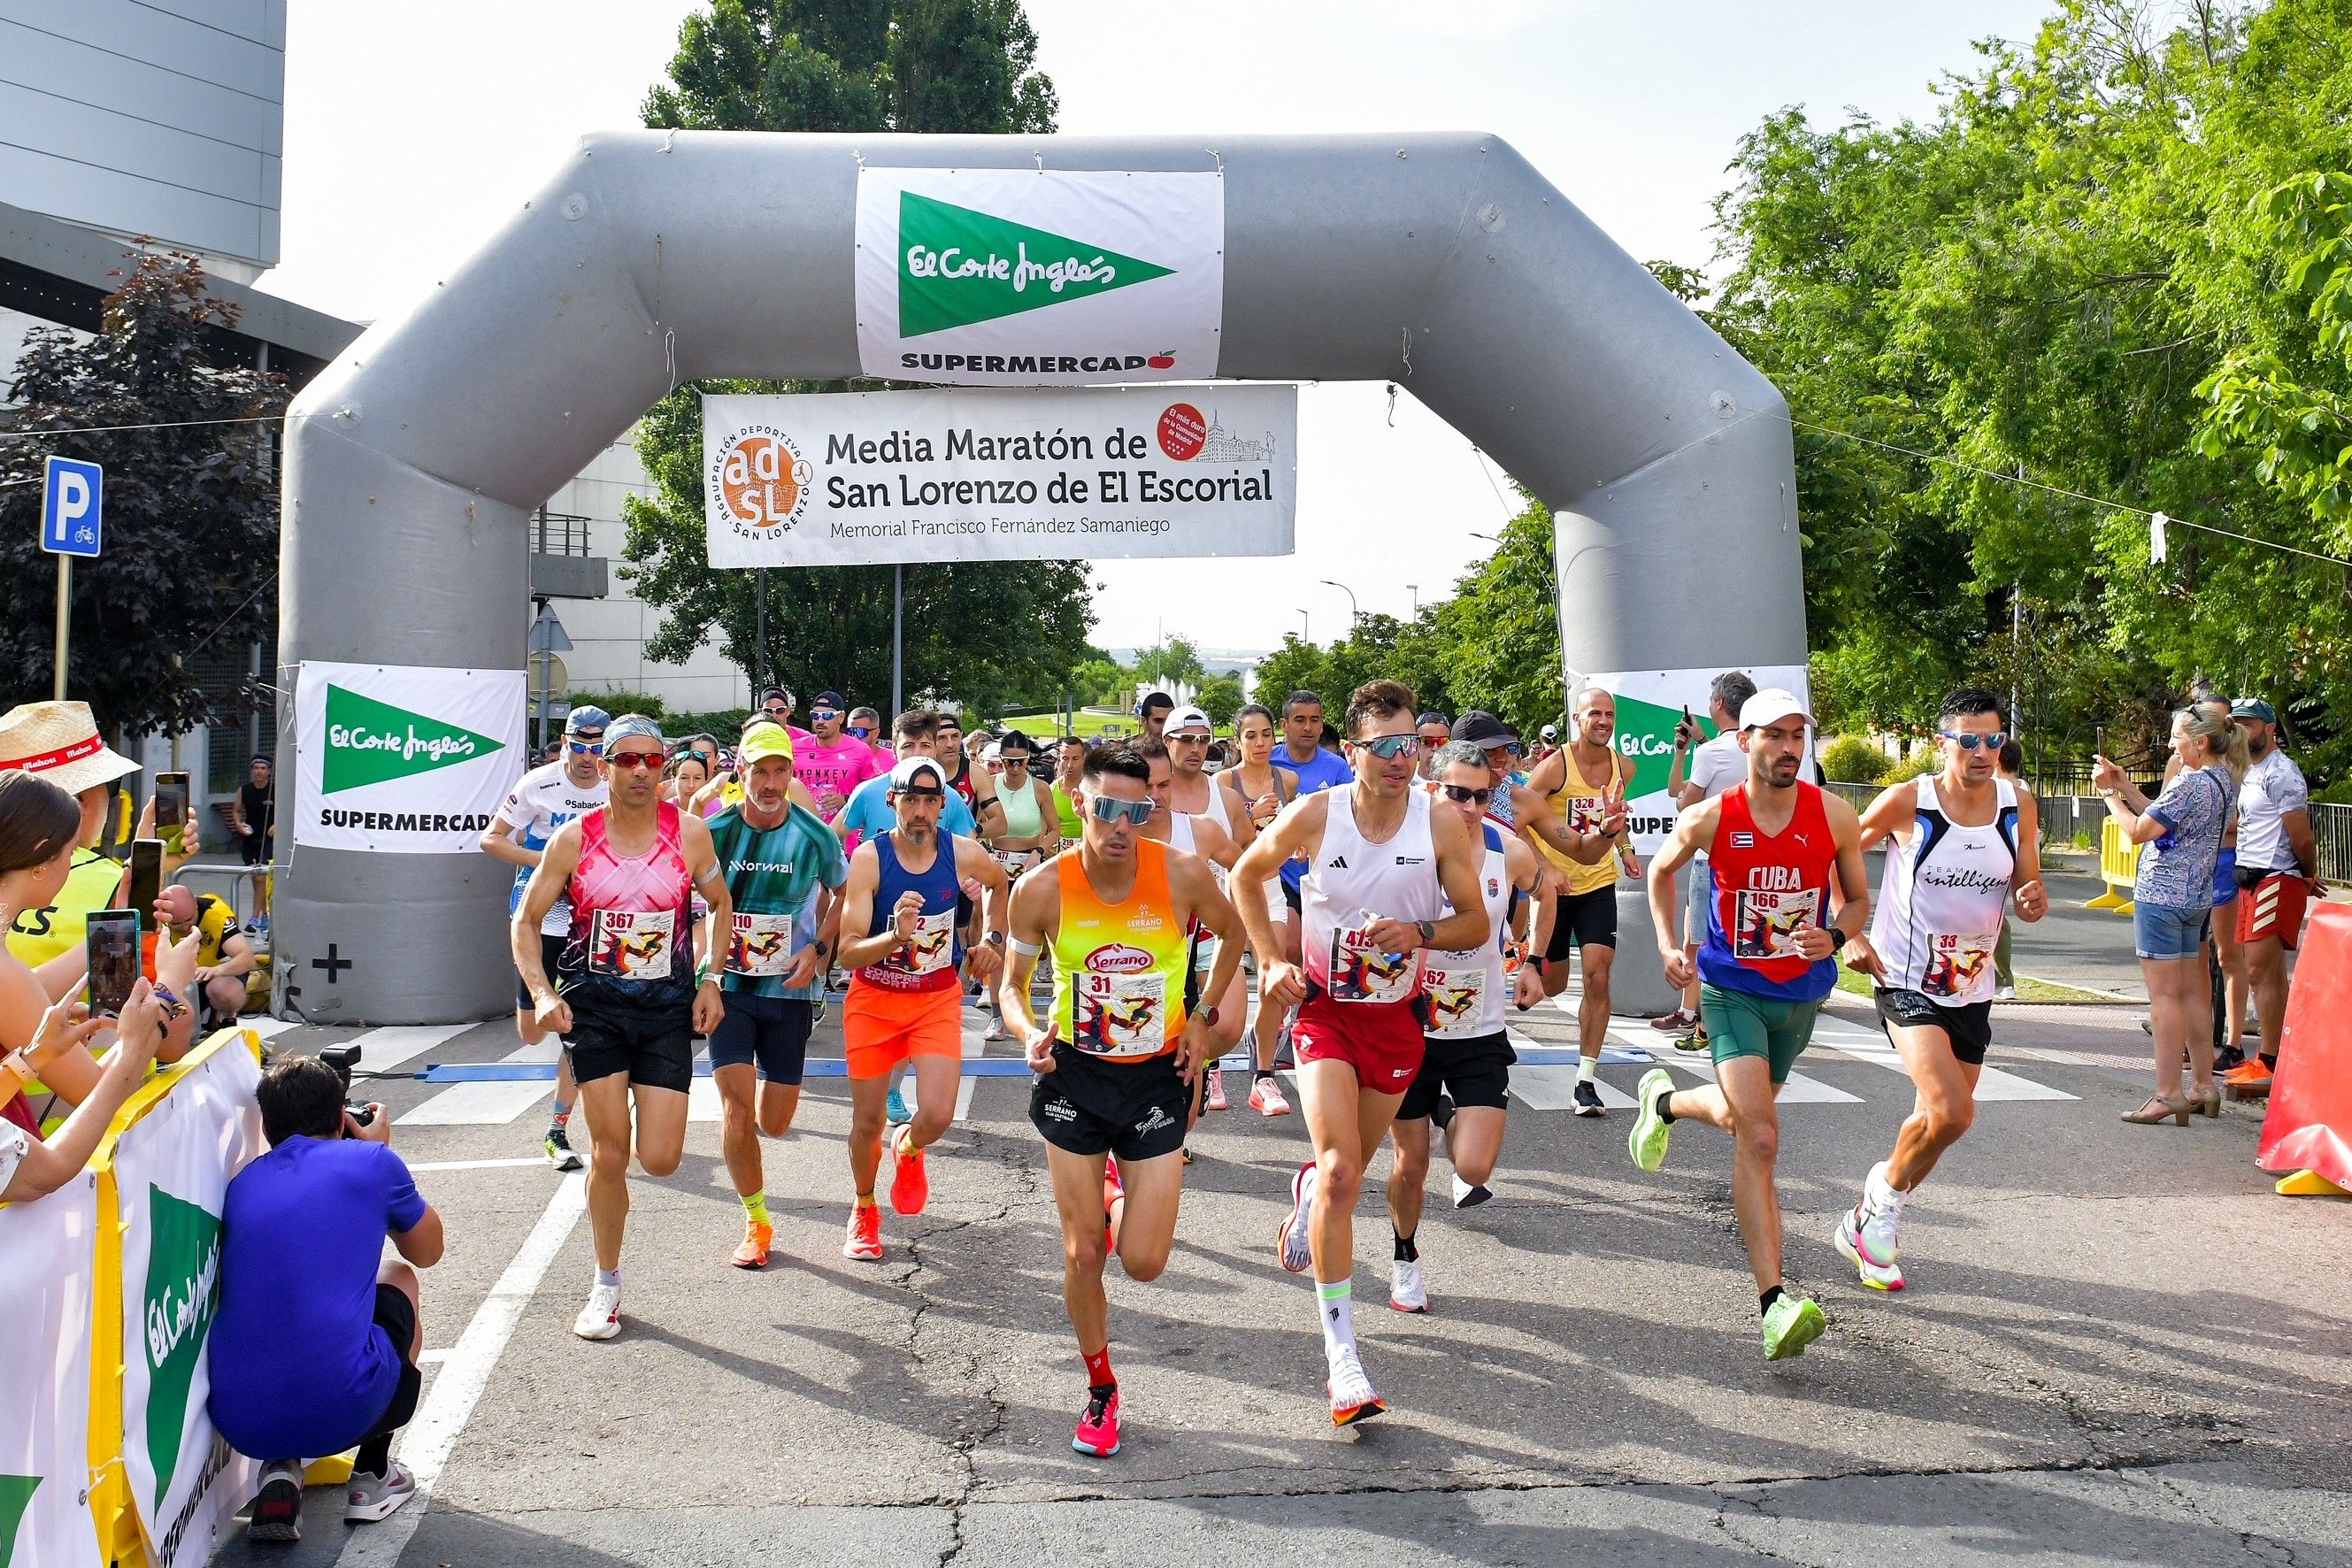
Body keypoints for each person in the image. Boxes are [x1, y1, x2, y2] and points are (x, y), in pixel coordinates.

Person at [1232, 680, 1491, 1425]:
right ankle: (1343, 1361)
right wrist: (1270, 962)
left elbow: (1474, 921)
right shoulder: (1317, 813)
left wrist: (1421, 935)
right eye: (1384, 747)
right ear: (1354, 752)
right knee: (1347, 1172)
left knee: (1345, 1171)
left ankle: (1309, 1193)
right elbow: (1248, 875)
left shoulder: (1439, 821)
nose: (1400, 759)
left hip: (1398, 1022)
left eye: (1410, 744)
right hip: (1324, 1015)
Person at [999, 742, 1241, 1457]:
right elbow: (1011, 986)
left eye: (1136, 811)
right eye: (1107, 807)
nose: (1120, 825)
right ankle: (1101, 1389)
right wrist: (1024, 1032)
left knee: (1142, 1262)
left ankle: (1116, 1198)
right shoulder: (1040, 888)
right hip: (1074, 1074)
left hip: (1156, 1076)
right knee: (1083, 1255)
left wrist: (1201, 1018)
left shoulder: (1184, 874)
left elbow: (1234, 937)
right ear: (1080, 800)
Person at [1627, 688, 1870, 1361]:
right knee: (1761, 1137)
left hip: (1801, 997)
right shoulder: (1711, 817)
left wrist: (1835, 932)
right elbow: (1661, 872)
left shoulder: (1834, 816)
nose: (1790, 748)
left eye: (1800, 736)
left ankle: (1666, 1102)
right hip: (1731, 990)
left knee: (1745, 1123)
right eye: (1776, 735)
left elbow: (1857, 901)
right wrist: (1669, 947)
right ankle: (1773, 1304)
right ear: (1746, 742)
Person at [514, 715, 733, 1340]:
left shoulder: (689, 836)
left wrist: (712, 978)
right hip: (597, 1008)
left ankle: (632, 1151)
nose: (641, 771)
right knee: (612, 1153)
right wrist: (541, 991)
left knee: (660, 1159)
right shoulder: (573, 840)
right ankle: (605, 1284)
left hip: (667, 1007)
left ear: (663, 768)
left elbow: (720, 906)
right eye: (627, 759)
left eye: (653, 761)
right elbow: (525, 922)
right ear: (605, 767)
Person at [1836, 689, 2048, 1291]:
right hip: (1905, 981)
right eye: (1969, 740)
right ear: (1943, 743)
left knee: (1938, 1119)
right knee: (1955, 1110)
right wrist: (1845, 926)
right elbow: (1838, 849)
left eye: (1993, 740)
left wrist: (2032, 901)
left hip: (1972, 986)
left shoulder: (2019, 805)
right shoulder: (1911, 802)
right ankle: (1880, 1209)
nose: (1983, 752)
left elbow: (2028, 892)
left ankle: (1873, 1211)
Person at [212, 1055, 445, 1540]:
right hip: (344, 1408)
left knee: (285, 1301)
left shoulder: (242, 1184)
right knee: (399, 1276)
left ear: (268, 1124)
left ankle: (280, 1469)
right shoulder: (372, 1161)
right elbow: (428, 1251)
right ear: (342, 1115)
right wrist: (380, 1150)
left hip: (242, 1422)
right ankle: (373, 1476)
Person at [1386, 741, 1549, 1311]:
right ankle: (1405, 1255)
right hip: (1409, 1029)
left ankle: (1450, 1113)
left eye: (1481, 796)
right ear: (1432, 789)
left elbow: (1548, 888)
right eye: (1457, 793)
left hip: (1479, 1029)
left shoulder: (1508, 849)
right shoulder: (1405, 850)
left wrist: (1532, 959)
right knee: (1411, 1166)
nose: (1470, 806)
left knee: (1474, 1167)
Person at [832, 757, 1011, 1260]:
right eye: (909, 800)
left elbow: (1002, 883)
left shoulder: (960, 852)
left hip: (934, 999)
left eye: (930, 801)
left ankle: (909, 1147)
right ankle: (864, 1207)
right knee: (867, 1123)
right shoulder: (869, 859)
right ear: (892, 802)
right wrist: (895, 936)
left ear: (943, 806)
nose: (919, 812)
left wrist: (992, 938)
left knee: (938, 1114)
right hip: (874, 1000)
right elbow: (846, 950)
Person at [703, 720, 847, 1268]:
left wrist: (819, 951)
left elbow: (843, 893)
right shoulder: (714, 831)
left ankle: (758, 1176)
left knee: (775, 1121)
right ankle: (757, 1220)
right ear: (740, 772)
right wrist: (703, 968)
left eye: (779, 770)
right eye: (759, 771)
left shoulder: (815, 835)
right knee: (737, 1112)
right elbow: (690, 900)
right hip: (730, 989)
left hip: (790, 990)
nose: (769, 782)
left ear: (791, 772)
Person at [0, 771, 172, 1200]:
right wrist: (167, 990)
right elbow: (96, 1091)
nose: (72, 866)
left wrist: (118, 916)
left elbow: (30, 988)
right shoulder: (6, 977)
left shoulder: (10, 975)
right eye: (70, 853)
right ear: (41, 857)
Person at [2094, 706, 2246, 1123]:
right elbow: (2163, 816)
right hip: (2196, 898)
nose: (2169, 744)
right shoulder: (2223, 779)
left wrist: (2108, 795)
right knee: (2195, 994)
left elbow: (2139, 831)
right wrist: (2124, 784)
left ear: (2200, 741)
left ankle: (2168, 1093)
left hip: (2161, 897)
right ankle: (2203, 1085)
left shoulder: (2190, 782)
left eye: (2176, 737)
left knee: (2164, 998)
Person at [481, 705, 610, 1172]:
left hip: (590, 918)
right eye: (580, 746)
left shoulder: (614, 782)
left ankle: (559, 1128)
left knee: (578, 1029)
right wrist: (546, 865)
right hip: (539, 914)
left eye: (598, 748)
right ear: (566, 741)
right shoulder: (538, 783)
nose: (588, 757)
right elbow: (490, 839)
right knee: (533, 1032)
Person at [1523, 686, 1641, 1114]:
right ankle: (1525, 962)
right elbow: (1514, 818)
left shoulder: (1622, 767)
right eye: (1595, 714)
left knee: (1597, 975)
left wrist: (1626, 851)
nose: (1603, 722)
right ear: (1577, 718)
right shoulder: (1555, 767)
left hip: (1597, 884)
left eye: (1609, 714)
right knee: (1552, 985)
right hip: (1554, 890)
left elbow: (1617, 819)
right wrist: (1542, 869)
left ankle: (1585, 1079)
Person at [2223, 698, 2317, 1095]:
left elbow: (2301, 834)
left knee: (2261, 970)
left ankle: (2272, 1060)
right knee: (2266, 972)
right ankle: (2277, 1056)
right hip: (2249, 876)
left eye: (2249, 724)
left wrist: (2308, 874)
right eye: (2237, 725)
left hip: (2276, 876)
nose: (2241, 731)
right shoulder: (2250, 771)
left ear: (2269, 728)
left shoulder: (2282, 774)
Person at [1656, 673, 1757, 1041]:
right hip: (1753, 857)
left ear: (1717, 704)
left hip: (1711, 857)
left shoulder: (1712, 751)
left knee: (1700, 940)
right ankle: (1694, 1014)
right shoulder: (1754, 746)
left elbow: (1682, 801)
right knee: (1731, 938)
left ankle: (1701, 1020)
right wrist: (1690, 746)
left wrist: (1694, 749)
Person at [1162, 707, 1250, 1111]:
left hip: (1214, 924)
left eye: (1203, 740)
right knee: (1170, 1029)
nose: (1196, 748)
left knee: (1227, 1025)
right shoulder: (1152, 792)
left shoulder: (1224, 797)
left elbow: (1250, 860)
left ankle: (1200, 1071)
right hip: (1163, 931)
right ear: (1168, 742)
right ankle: (1173, 1118)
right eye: (1186, 739)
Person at [1218, 703, 1301, 1112]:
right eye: (1250, 735)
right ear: (1237, 741)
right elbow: (1225, 850)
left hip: (1270, 889)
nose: (1260, 743)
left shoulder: (1288, 779)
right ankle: (1211, 1067)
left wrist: (1300, 847)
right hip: (1231, 892)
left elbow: (1290, 839)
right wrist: (1252, 816)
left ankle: (1264, 1074)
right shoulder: (1222, 783)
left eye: (1266, 734)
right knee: (1220, 983)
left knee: (1276, 976)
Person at [156, 883, 257, 1026]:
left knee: (226, 991)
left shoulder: (217, 916)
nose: (185, 928)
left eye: (189, 921)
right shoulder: (158, 918)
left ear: (196, 905)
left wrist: (215, 971)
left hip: (210, 976)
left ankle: (224, 1017)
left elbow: (246, 958)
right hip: (176, 979)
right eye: (177, 925)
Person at [796, 690, 886, 821]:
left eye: (827, 716)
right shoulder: (795, 748)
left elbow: (877, 791)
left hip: (844, 834)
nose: (820, 721)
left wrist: (846, 800)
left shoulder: (860, 750)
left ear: (841, 717)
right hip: (804, 833)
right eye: (815, 715)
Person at [232, 753, 275, 932]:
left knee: (261, 876)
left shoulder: (275, 789)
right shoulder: (245, 790)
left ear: (269, 771)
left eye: (263, 768)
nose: (259, 772)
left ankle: (253, 918)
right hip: (251, 838)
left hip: (269, 838)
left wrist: (278, 824)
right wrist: (238, 824)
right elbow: (236, 810)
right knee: (255, 879)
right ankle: (265, 916)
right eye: (256, 768)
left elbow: (288, 809)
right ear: (252, 771)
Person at [1051, 734, 1091, 842]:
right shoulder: (1050, 790)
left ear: (1083, 759)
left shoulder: (1092, 790)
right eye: (1065, 758)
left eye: (1075, 759)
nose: (1070, 765)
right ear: (1059, 758)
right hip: (1057, 853)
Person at [1414, 711, 1451, 780]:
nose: (1435, 748)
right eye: (1428, 741)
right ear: (1416, 744)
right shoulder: (1406, 782)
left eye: (1442, 741)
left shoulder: (1457, 783)